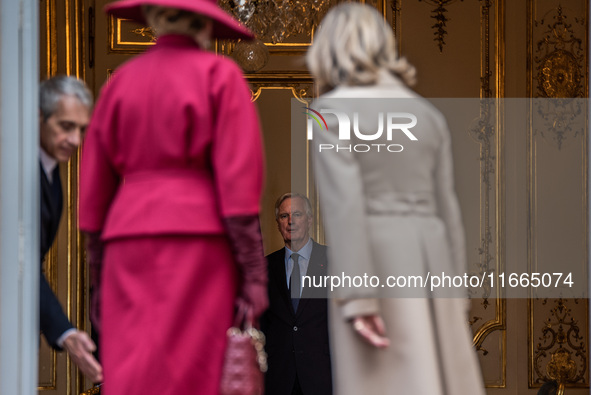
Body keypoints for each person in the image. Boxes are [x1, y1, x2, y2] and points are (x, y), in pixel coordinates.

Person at [78, 1, 267, 394]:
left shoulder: (121, 82)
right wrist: (253, 275)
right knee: (195, 371)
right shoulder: (220, 75)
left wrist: (97, 269)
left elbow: (94, 189)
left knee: (134, 372)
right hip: (200, 242)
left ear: (151, 20)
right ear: (204, 25)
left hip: (126, 241)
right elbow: (239, 187)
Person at [306, 3, 485, 395]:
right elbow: (449, 210)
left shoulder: (329, 113)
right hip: (432, 257)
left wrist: (357, 298)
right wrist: (456, 296)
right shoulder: (427, 115)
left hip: (375, 257)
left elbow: (345, 206)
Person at [38, 75, 103, 383]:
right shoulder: (17, 168)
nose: (75, 140)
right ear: (39, 117)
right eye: (66, 126)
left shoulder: (50, 174)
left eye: (81, 129)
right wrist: (63, 331)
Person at [261, 193, 332, 395]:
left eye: (297, 214)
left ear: (309, 220)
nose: (290, 221)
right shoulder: (265, 267)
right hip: (278, 379)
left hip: (322, 378)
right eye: (284, 216)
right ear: (277, 223)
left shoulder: (333, 261)